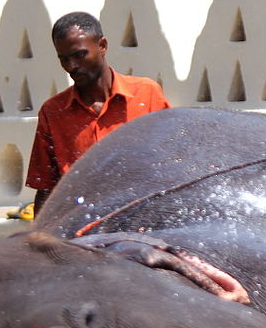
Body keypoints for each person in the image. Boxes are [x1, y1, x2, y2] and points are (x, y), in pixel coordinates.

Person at [26, 11, 171, 214]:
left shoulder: (146, 94)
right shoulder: (53, 112)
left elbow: (173, 162)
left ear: (102, 46)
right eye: (64, 59)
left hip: (143, 221)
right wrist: (39, 239)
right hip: (83, 228)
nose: (72, 66)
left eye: (79, 55)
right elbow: (46, 188)